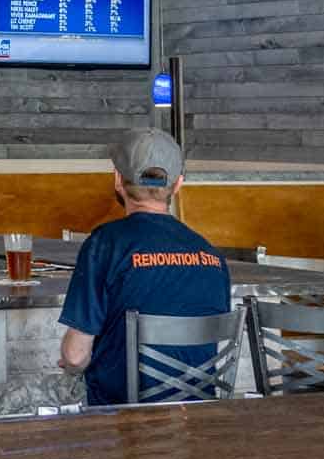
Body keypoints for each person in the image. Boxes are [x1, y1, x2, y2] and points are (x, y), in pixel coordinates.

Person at [55, 129, 232, 407]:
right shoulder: (213, 257)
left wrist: (69, 363)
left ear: (117, 180)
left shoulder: (105, 244)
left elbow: (76, 356)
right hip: (198, 419)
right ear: (178, 185)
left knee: (8, 402)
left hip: (119, 423)